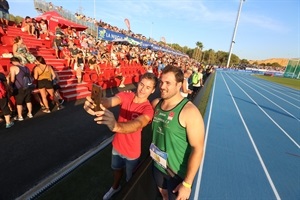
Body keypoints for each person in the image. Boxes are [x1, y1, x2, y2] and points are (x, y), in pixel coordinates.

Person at [83, 72, 158, 200]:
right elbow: (110, 101)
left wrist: (116, 126)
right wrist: (97, 103)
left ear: (153, 90)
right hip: (117, 146)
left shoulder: (148, 109)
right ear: (138, 83)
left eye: (148, 87)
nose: (142, 89)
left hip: (132, 152)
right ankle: (115, 187)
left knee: (131, 179)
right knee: (116, 169)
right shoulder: (127, 95)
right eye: (141, 84)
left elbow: (138, 123)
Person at [150, 65, 205, 200]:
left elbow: (198, 148)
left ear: (179, 84)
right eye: (161, 82)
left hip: (176, 174)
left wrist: (187, 184)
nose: (162, 86)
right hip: (157, 165)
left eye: (168, 83)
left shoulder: (189, 112)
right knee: (163, 195)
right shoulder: (156, 103)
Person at [9, 56, 33, 121]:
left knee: (19, 103)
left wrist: (10, 85)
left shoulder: (13, 67)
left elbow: (13, 79)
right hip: (28, 86)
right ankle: (30, 113)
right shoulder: (26, 67)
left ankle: (20, 116)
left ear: (13, 62)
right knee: (28, 100)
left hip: (19, 87)